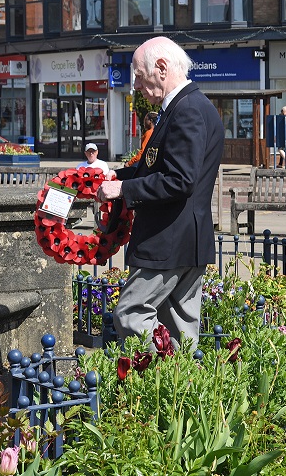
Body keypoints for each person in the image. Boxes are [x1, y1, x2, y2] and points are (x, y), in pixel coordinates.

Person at [96, 37, 224, 351]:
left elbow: (180, 180)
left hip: (168, 241)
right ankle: (181, 394)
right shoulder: (187, 106)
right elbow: (154, 168)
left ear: (162, 68)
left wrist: (123, 188)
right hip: (184, 241)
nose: (136, 85)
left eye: (139, 76)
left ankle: (159, 380)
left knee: (130, 314)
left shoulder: (187, 110)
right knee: (179, 330)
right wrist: (114, 176)